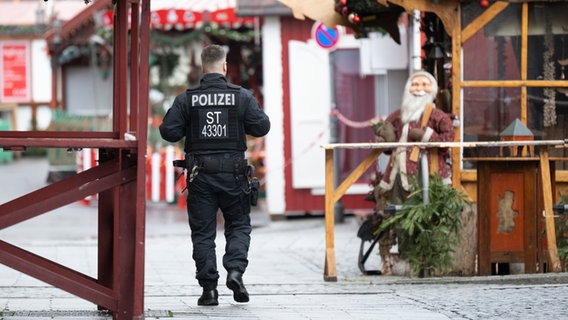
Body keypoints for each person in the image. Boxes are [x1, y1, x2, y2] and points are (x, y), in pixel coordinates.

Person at [159, 44, 271, 306]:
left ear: (201, 67)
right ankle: (235, 271)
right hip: (233, 175)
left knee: (203, 233)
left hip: (200, 176)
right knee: (239, 225)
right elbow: (262, 126)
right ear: (224, 66)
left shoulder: (186, 98)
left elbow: (168, 132)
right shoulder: (241, 96)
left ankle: (209, 290)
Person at [373, 70, 455, 275]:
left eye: (424, 85)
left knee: (429, 217)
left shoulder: (438, 116)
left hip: (428, 176)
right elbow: (386, 138)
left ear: (433, 90)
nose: (419, 89)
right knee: (401, 218)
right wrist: (383, 139)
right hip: (398, 176)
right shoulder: (399, 115)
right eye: (415, 85)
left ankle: (432, 260)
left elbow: (448, 142)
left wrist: (426, 135)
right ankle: (407, 258)